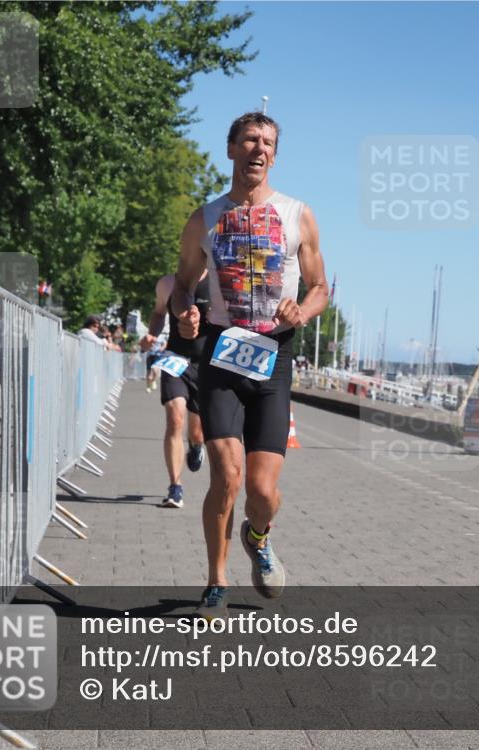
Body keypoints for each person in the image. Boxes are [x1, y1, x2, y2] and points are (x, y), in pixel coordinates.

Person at [171, 111, 328, 618]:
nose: (259, 150)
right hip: (222, 352)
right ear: (232, 149)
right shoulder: (206, 217)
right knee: (227, 475)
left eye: (268, 144)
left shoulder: (297, 214)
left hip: (274, 357)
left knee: (262, 491)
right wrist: (185, 314)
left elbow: (321, 287)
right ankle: (216, 579)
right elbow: (181, 285)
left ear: (275, 156)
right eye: (250, 141)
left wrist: (301, 310)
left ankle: (257, 537)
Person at [139, 271, 212, 508]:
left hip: (206, 365)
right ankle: (175, 487)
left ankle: (195, 446)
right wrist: (152, 334)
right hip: (175, 358)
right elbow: (159, 313)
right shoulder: (168, 283)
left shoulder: (220, 281)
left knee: (197, 432)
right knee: (175, 418)